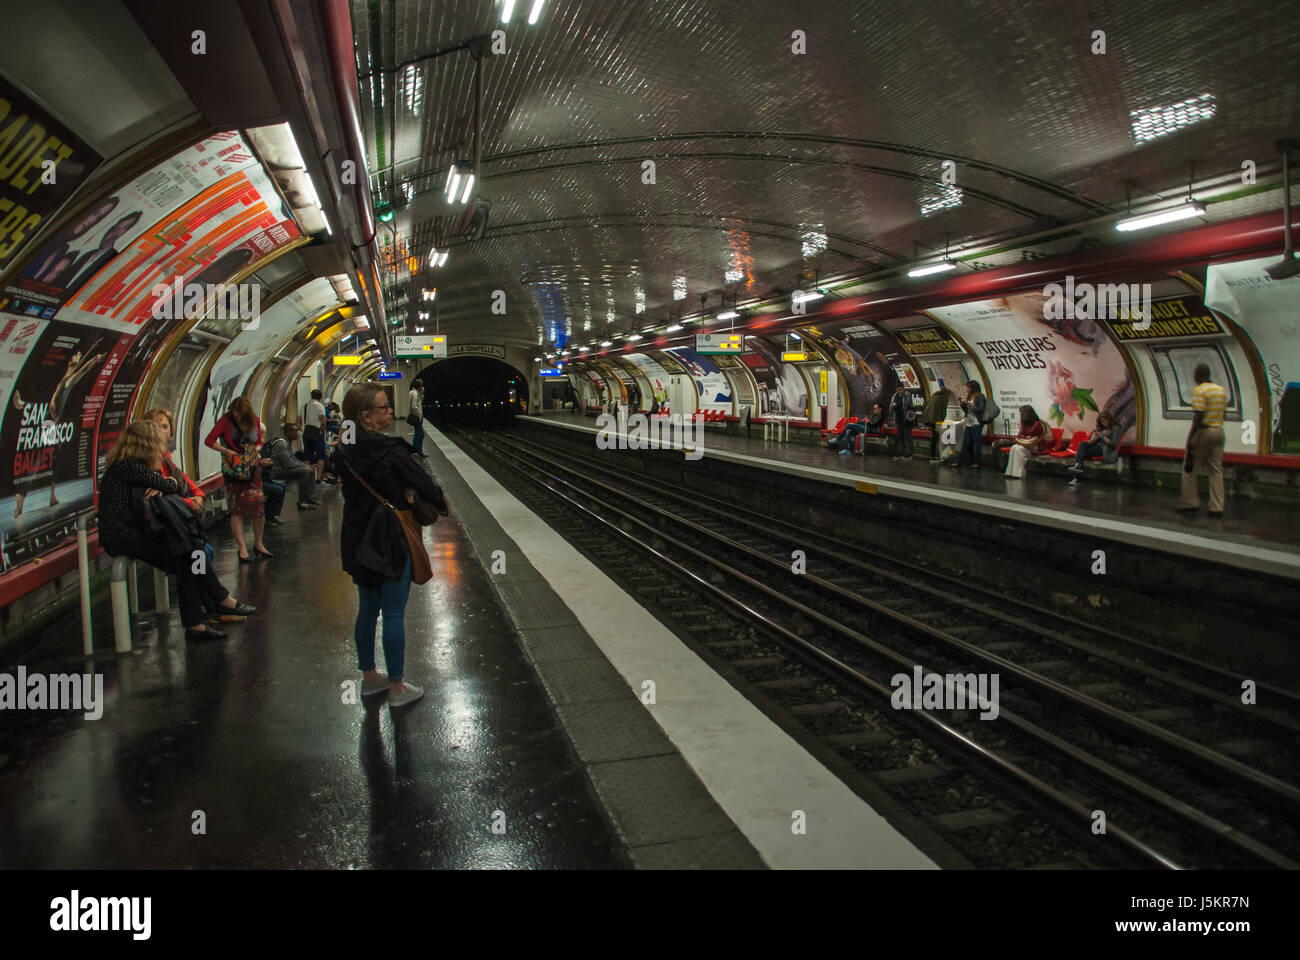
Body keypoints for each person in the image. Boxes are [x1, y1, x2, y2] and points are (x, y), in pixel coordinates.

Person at [335, 383, 449, 707]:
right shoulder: (391, 452)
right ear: (365, 416)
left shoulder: (343, 449)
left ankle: (370, 678)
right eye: (383, 407)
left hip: (357, 537)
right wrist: (434, 501)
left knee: (367, 608)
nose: (390, 411)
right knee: (394, 612)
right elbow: (425, 485)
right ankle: (397, 687)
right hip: (389, 538)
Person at [98, 421, 254, 640]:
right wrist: (166, 481)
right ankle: (217, 602)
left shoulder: (129, 467)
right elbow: (169, 485)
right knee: (191, 553)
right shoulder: (128, 467)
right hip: (121, 536)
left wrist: (165, 481)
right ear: (148, 444)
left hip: (136, 532)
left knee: (191, 555)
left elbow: (168, 485)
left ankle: (200, 620)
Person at [205, 397, 273, 562]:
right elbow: (209, 440)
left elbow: (259, 442)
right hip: (233, 467)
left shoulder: (255, 421)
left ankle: (258, 543)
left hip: (251, 466)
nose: (237, 418)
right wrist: (227, 451)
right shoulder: (225, 421)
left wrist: (253, 450)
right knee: (236, 508)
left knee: (258, 507)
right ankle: (242, 547)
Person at [1176, 364, 1226, 516]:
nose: (1194, 377)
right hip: (1219, 431)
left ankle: (1190, 502)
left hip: (1205, 431)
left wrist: (1190, 439)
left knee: (1189, 467)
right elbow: (1224, 413)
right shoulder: (1220, 390)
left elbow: (1198, 416)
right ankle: (1217, 507)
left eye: (1195, 374)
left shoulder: (1200, 390)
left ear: (1198, 375)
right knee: (1216, 470)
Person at [267, 423, 319, 510]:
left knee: (311, 469)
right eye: (295, 431)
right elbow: (289, 463)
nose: (297, 434)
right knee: (305, 471)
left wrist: (304, 465)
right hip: (276, 471)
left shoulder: (287, 441)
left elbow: (292, 458)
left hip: (283, 468)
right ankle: (302, 502)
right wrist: (304, 467)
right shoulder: (282, 444)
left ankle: (309, 497)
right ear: (288, 432)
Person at [1067, 410, 1121, 486]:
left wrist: (1102, 436)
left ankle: (1076, 477)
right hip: (1097, 447)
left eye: (1104, 421)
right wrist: (1094, 437)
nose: (1103, 424)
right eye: (1101, 422)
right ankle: (1078, 466)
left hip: (1105, 449)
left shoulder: (1115, 428)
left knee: (1079, 455)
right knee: (1081, 444)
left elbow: (1113, 445)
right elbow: (1094, 442)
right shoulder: (1103, 428)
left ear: (1109, 419)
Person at [1003, 406, 1051, 479]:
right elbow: (1020, 435)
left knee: (1018, 449)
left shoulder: (1037, 424)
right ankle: (1009, 472)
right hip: (1026, 445)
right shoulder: (1024, 422)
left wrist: (1024, 436)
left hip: (1035, 446)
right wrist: (1025, 436)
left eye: (1021, 414)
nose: (1020, 415)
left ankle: (1018, 474)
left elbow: (1031, 434)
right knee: (1013, 447)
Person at [953, 381, 987, 469]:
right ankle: (960, 461)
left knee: (976, 442)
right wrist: (963, 404)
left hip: (977, 422)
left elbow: (981, 409)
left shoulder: (980, 397)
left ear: (973, 388)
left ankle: (977, 462)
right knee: (966, 442)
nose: (967, 389)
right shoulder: (969, 397)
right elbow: (966, 410)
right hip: (969, 421)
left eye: (968, 388)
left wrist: (969, 404)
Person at [302, 389, 329, 482]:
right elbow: (323, 422)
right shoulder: (319, 406)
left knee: (307, 456)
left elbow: (298, 421)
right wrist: (323, 433)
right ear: (320, 397)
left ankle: (307, 477)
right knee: (320, 456)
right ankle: (318, 478)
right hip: (317, 434)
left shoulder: (304, 406)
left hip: (306, 433)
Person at [923, 379, 953, 462]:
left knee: (934, 437)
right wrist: (942, 420)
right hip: (936, 420)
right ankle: (939, 455)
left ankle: (932, 455)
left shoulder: (934, 395)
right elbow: (943, 410)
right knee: (937, 438)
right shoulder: (944, 397)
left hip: (929, 419)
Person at [889, 384, 916, 461]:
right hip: (898, 419)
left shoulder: (907, 395)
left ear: (903, 389)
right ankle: (901, 453)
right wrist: (893, 406)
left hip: (906, 419)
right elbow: (891, 406)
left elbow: (911, 407)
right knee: (900, 436)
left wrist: (910, 417)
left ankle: (909, 454)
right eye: (898, 390)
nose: (899, 391)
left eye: (901, 390)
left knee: (908, 436)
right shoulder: (895, 396)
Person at [408, 381, 425, 455]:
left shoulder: (412, 392)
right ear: (419, 387)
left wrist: (421, 394)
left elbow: (419, 401)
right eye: (421, 386)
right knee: (420, 434)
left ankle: (416, 450)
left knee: (418, 434)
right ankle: (417, 451)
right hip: (417, 417)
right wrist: (420, 415)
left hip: (415, 416)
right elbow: (414, 406)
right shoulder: (415, 394)